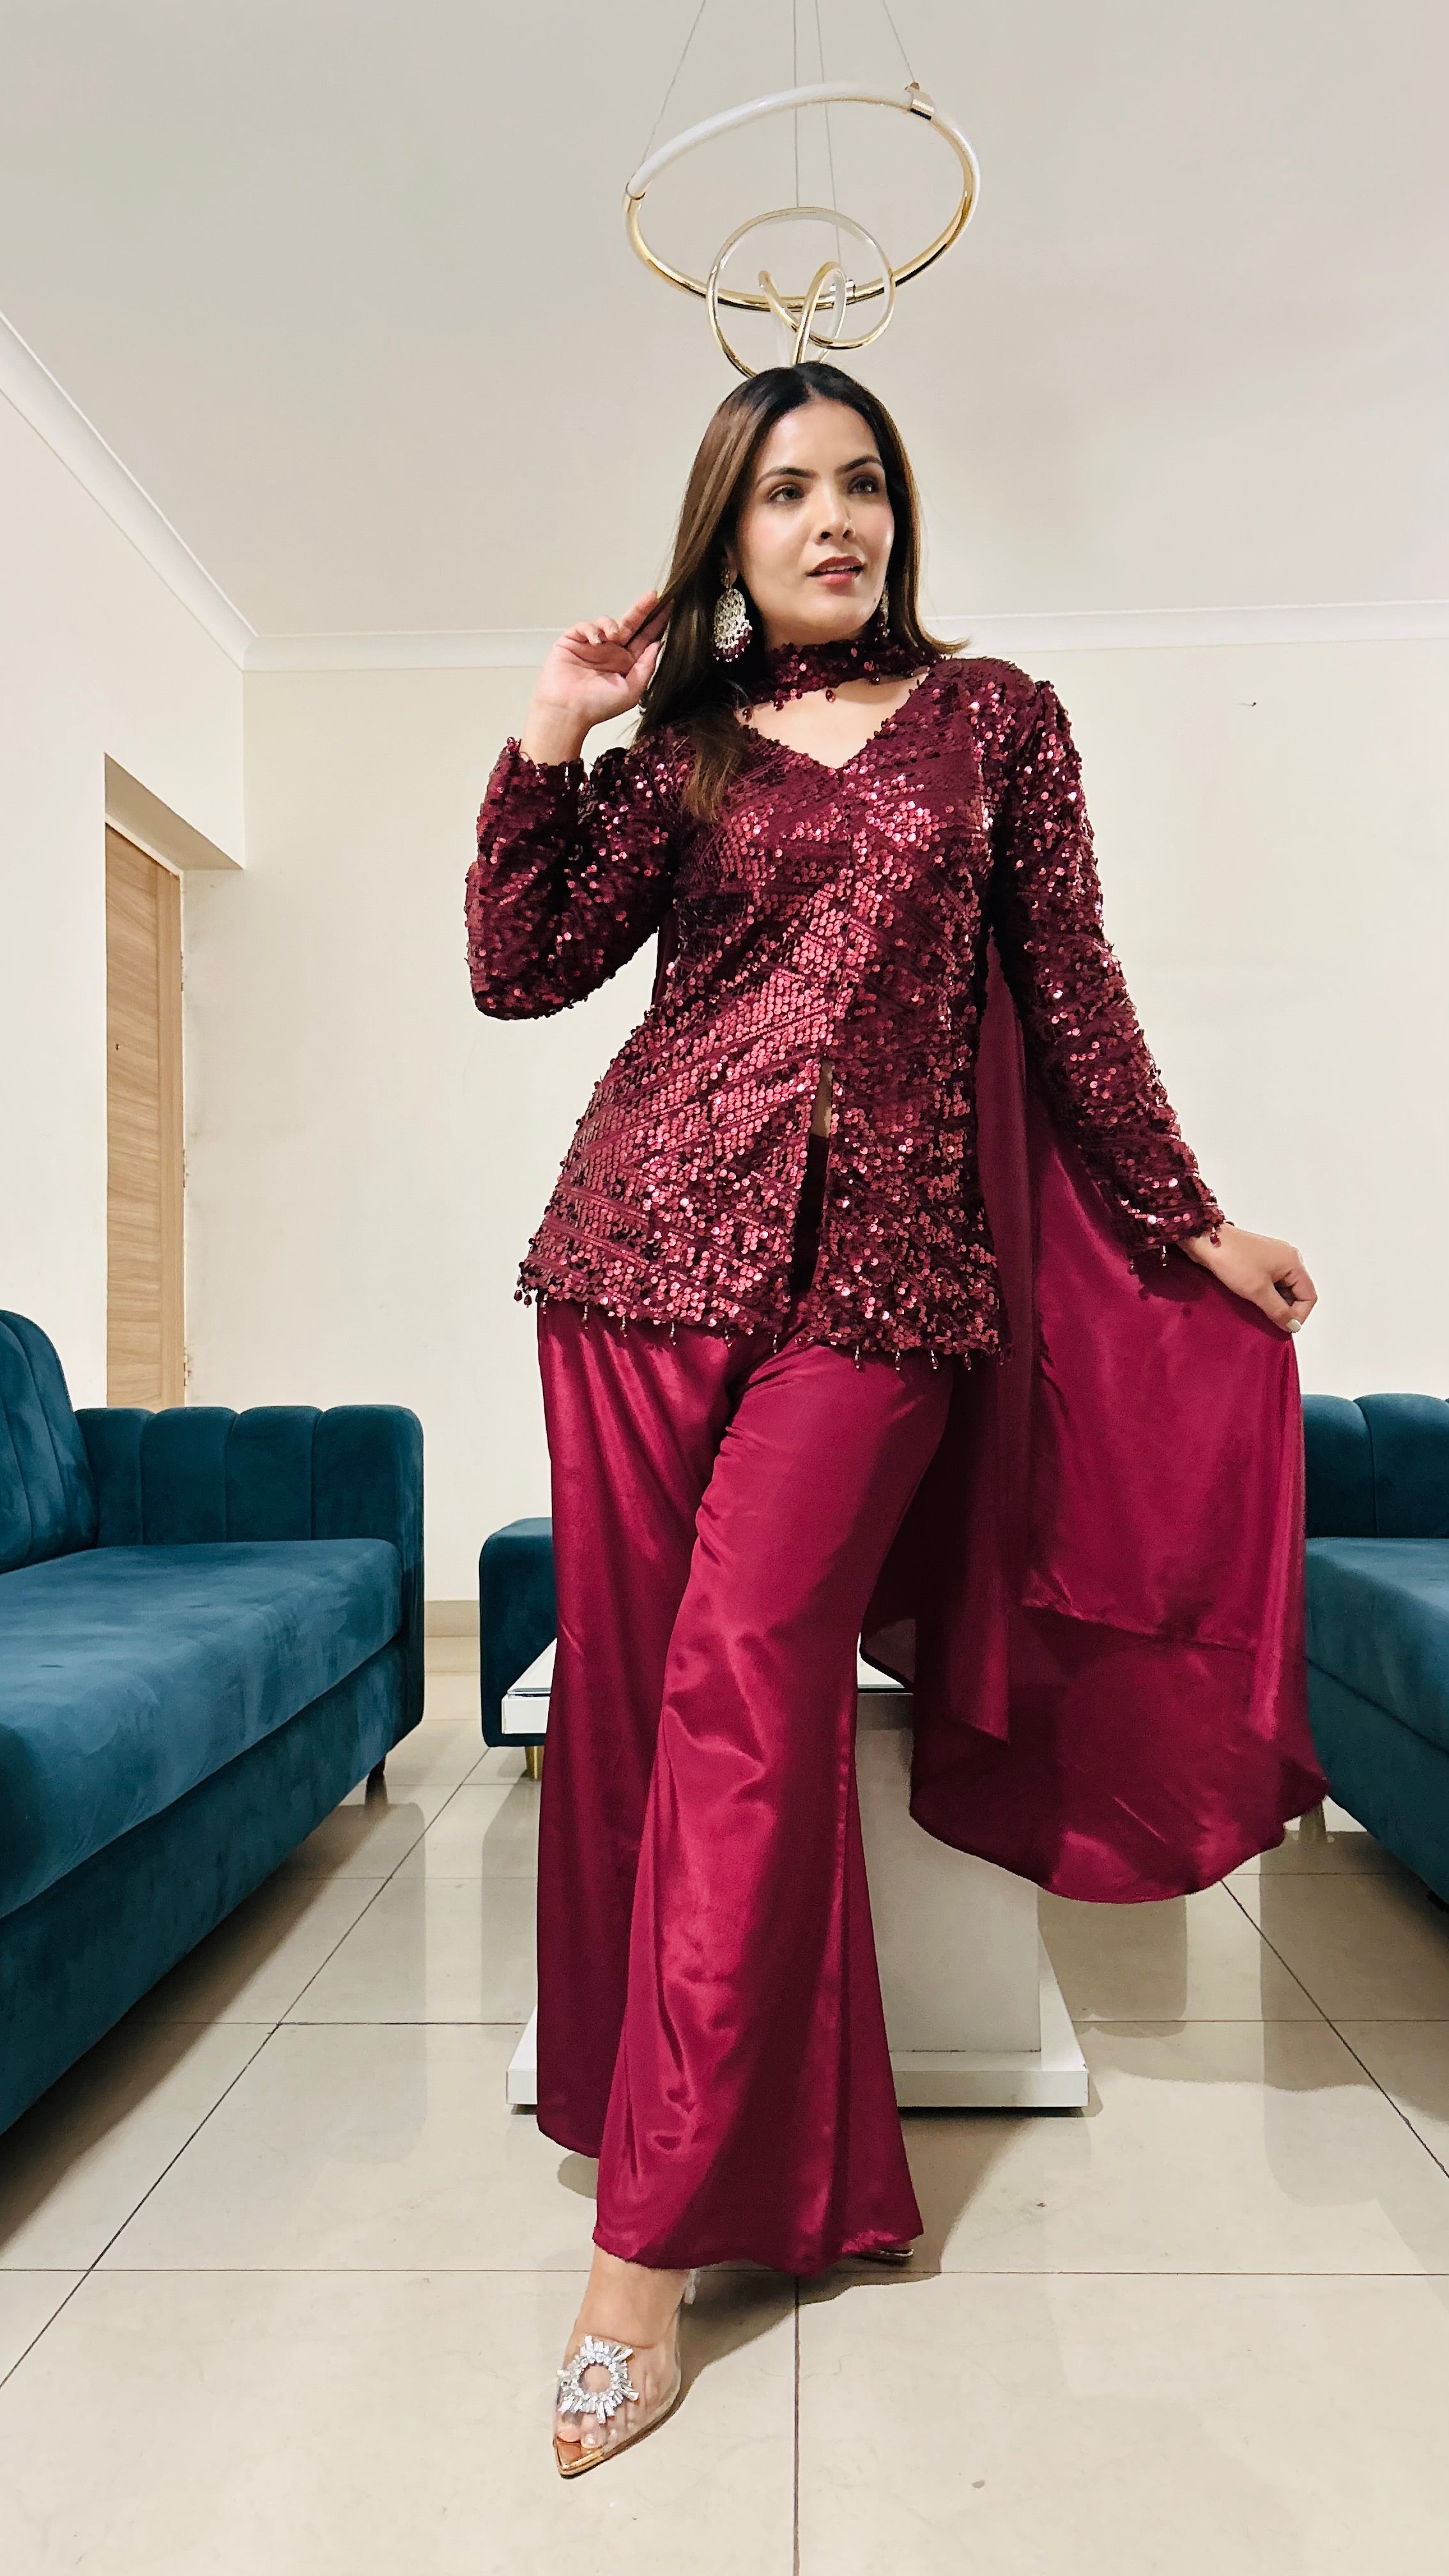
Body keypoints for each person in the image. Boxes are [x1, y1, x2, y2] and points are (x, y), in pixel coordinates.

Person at [465, 360, 1321, 2477]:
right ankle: (761, 2156)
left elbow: (1071, 985)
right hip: (632, 1261)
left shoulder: (993, 719)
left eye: (857, 485)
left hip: (882, 1293)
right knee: (637, 1716)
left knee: (743, 1699)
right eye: (781, 495)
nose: (829, 521)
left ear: (897, 512)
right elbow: (519, 968)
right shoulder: (674, 747)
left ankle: (638, 2262)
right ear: (726, 533)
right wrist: (552, 732)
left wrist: (1184, 1217)